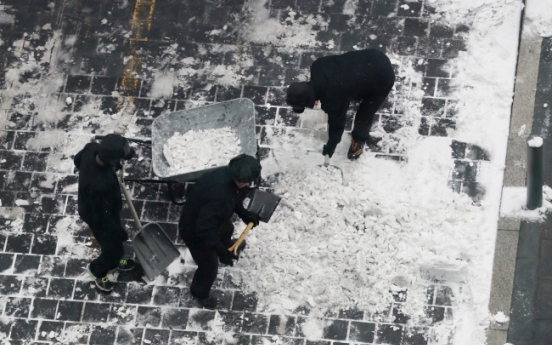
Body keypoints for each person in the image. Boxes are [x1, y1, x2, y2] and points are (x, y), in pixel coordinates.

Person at [179, 154, 262, 309]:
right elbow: (203, 230)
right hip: (194, 232)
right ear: (242, 180)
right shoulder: (219, 196)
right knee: (209, 266)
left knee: (227, 228)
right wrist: (220, 252)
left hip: (210, 219)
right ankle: (199, 292)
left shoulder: (226, 174)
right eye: (249, 181)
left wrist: (244, 214)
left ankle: (230, 246)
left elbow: (233, 196)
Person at [286, 49, 395, 160]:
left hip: (383, 77)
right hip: (373, 56)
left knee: (363, 118)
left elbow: (337, 125)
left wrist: (331, 146)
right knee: (348, 87)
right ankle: (358, 88)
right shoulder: (317, 66)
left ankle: (358, 143)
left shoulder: (333, 98)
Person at [74, 134, 137, 292]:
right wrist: (118, 232)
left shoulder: (92, 149)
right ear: (112, 161)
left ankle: (114, 260)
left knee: (114, 244)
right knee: (114, 249)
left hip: (99, 206)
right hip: (97, 215)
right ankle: (98, 269)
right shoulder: (101, 187)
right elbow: (103, 218)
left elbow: (77, 159)